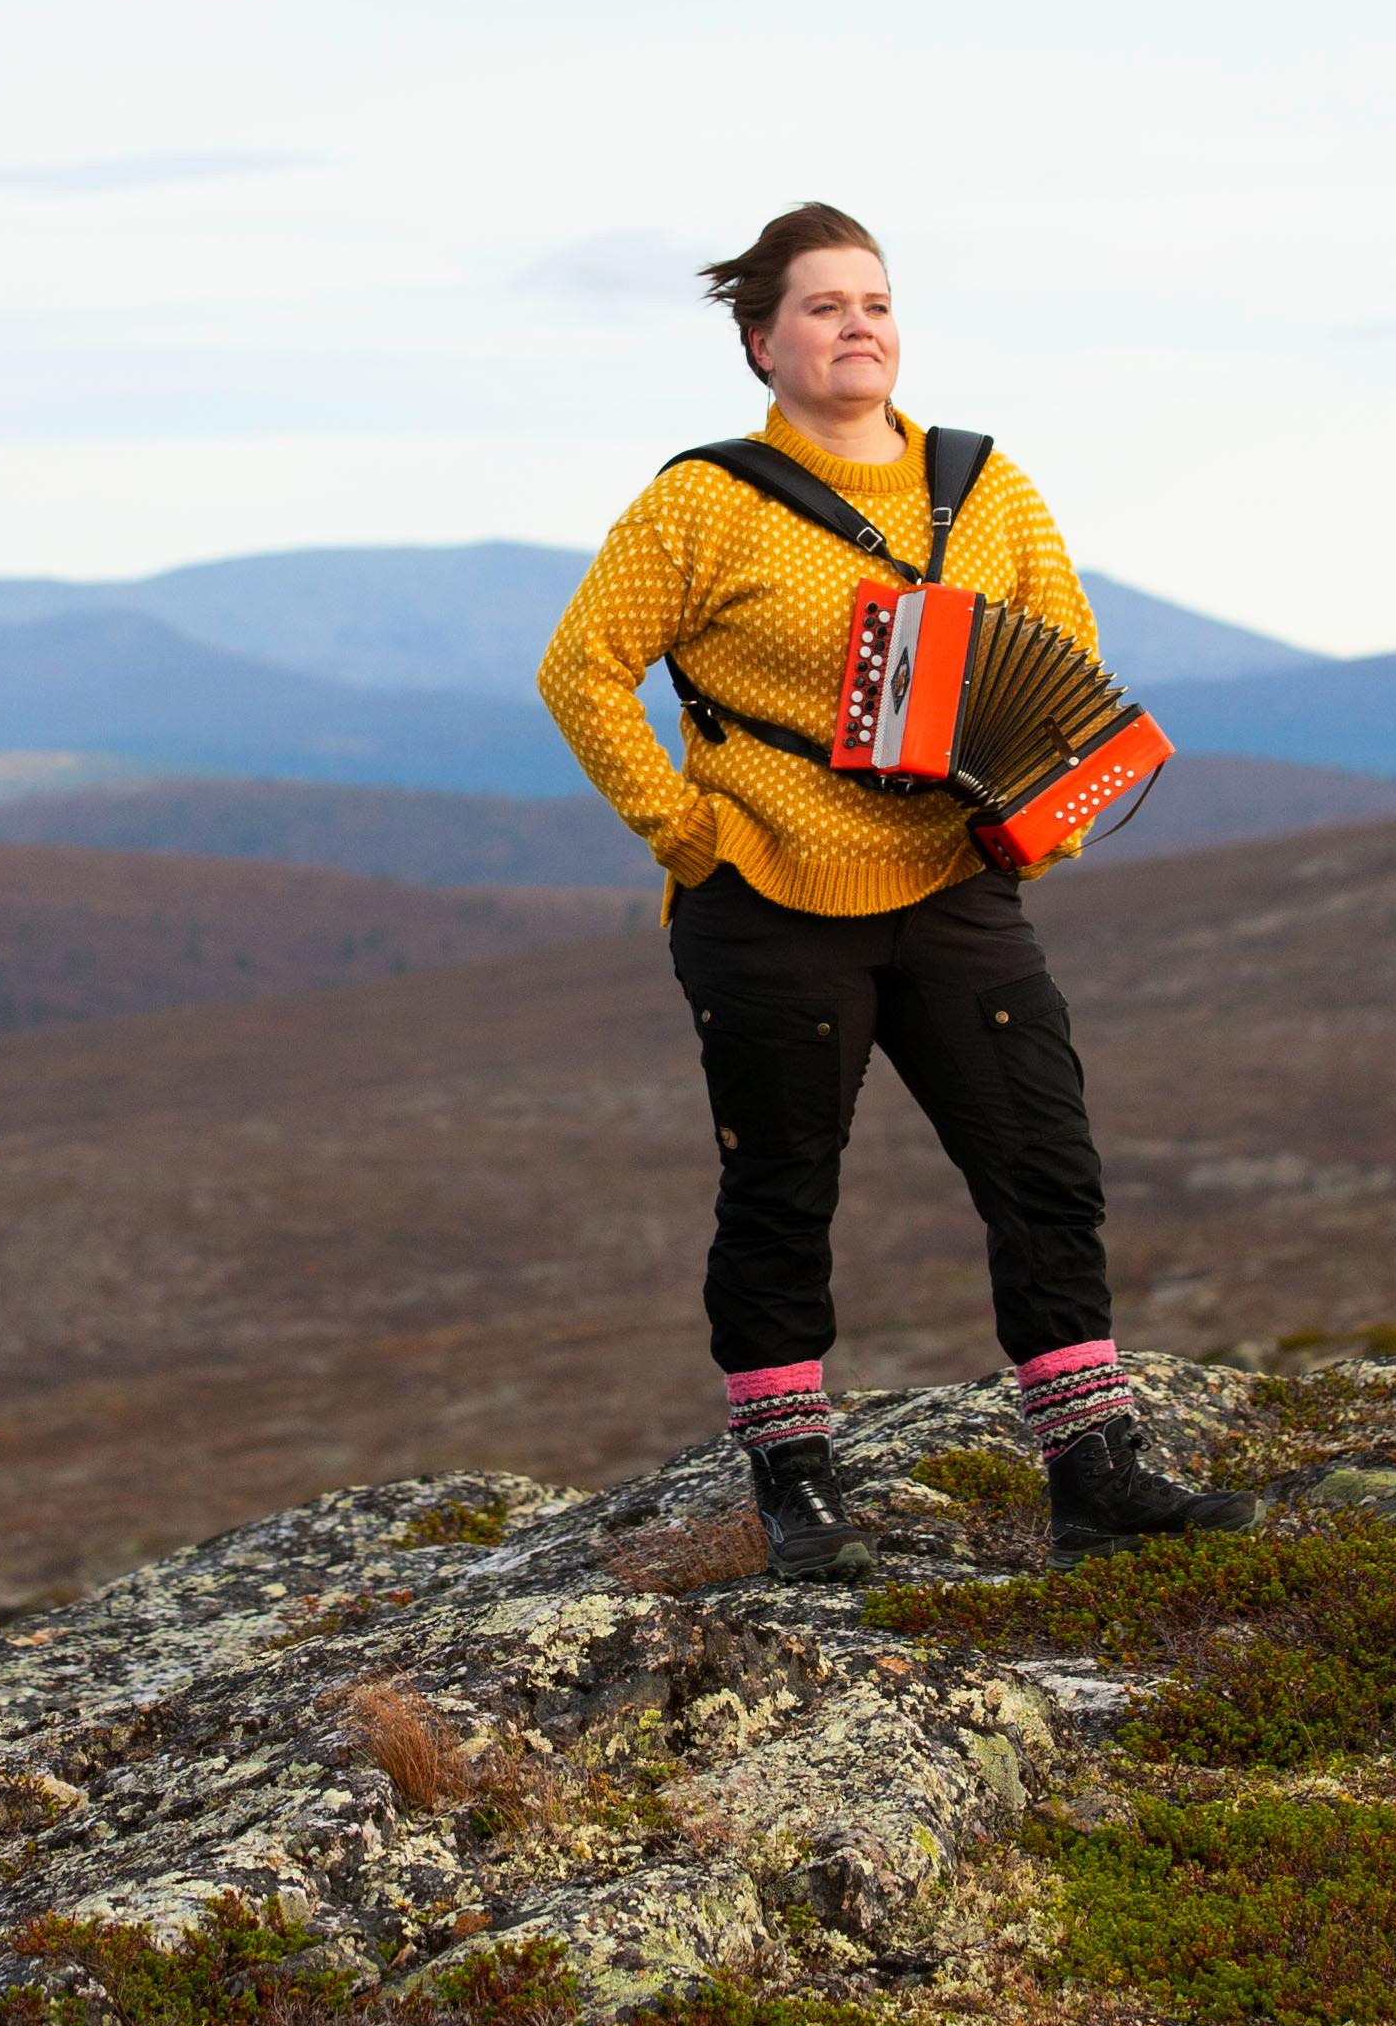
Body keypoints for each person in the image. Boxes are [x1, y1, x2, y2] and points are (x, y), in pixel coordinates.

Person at [535, 205, 1259, 1580]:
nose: (855, 323)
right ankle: (795, 1488)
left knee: (1046, 1165)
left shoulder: (989, 488)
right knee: (785, 1193)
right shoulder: (706, 499)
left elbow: (1066, 670)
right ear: (762, 344)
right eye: (820, 306)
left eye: (873, 300)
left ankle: (1095, 1473)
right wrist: (685, 831)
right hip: (769, 900)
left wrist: (1046, 832)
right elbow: (580, 669)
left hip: (953, 891)